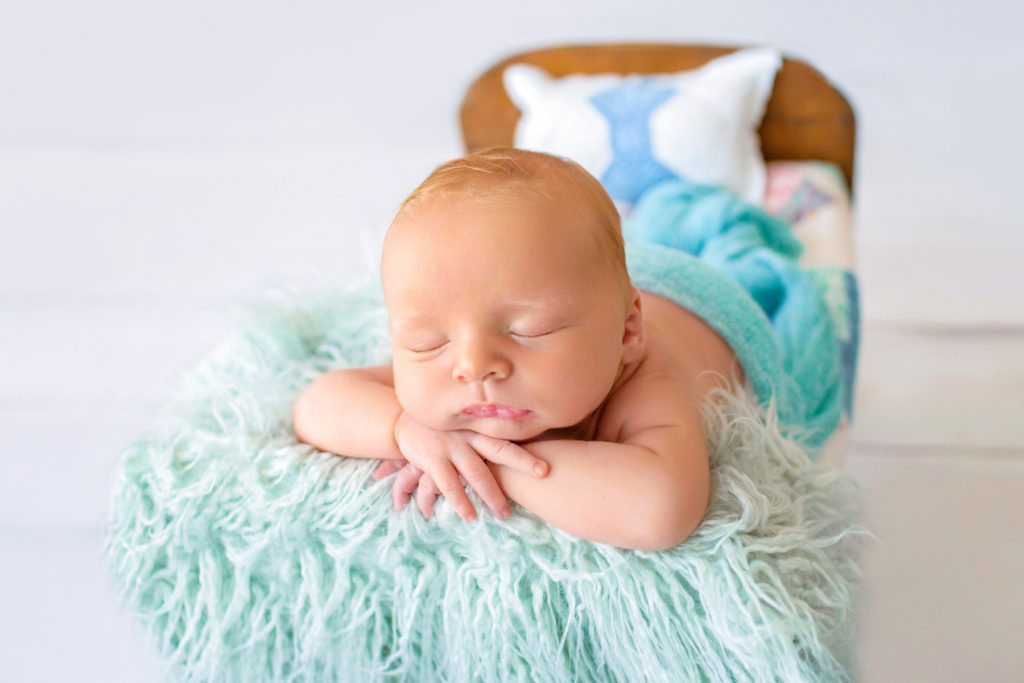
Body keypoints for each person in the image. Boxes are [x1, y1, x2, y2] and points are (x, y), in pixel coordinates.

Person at [292, 147, 745, 551]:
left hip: (700, 304)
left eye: (529, 330)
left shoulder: (647, 380)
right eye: (428, 341)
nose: (473, 366)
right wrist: (402, 428)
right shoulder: (456, 357)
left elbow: (659, 511)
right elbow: (317, 405)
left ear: (626, 332)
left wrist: (487, 461)